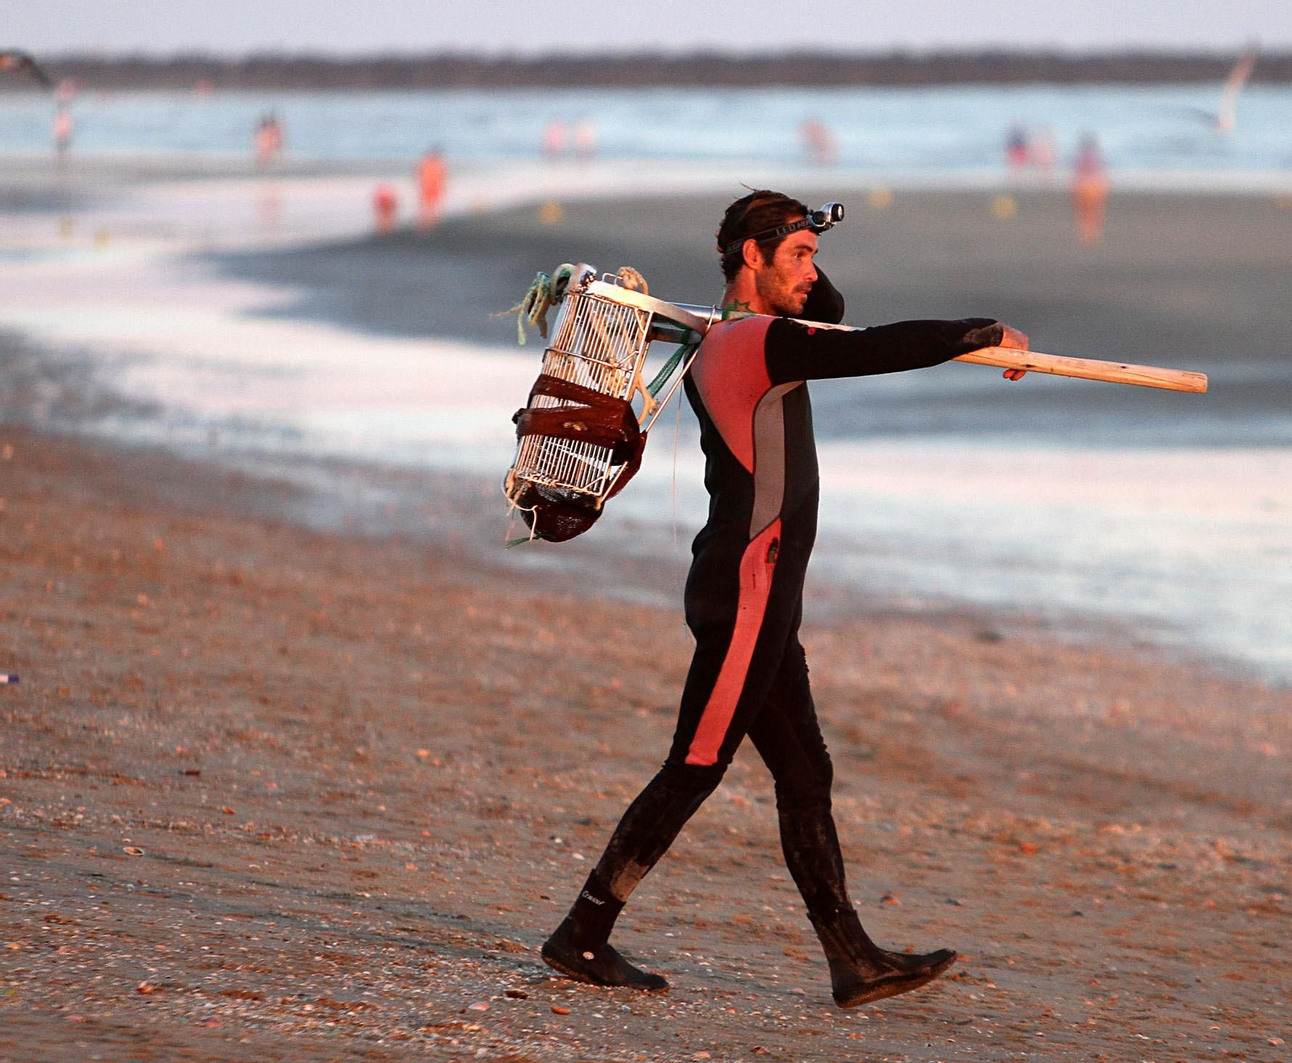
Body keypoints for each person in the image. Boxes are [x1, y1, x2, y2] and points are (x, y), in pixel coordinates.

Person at [539, 190, 1029, 1008]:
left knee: (806, 772)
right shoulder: (753, 343)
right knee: (694, 766)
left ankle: (853, 959)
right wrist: (983, 332)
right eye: (796, 256)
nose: (813, 272)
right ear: (751, 259)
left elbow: (831, 312)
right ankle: (583, 931)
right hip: (745, 593)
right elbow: (872, 346)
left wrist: (803, 248)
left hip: (762, 597)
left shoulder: (742, 334)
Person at [1070, 132, 1109, 245]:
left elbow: (1079, 172)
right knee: (1091, 210)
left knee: (1086, 210)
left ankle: (1087, 231)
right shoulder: (1094, 157)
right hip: (1092, 185)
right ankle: (1089, 231)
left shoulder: (1083, 157)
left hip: (1086, 185)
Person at [415, 147, 447, 231]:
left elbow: (442, 177)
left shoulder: (431, 163)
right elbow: (419, 174)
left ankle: (429, 225)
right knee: (428, 207)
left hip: (432, 187)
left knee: (431, 207)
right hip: (428, 187)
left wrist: (442, 187)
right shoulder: (429, 163)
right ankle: (426, 225)